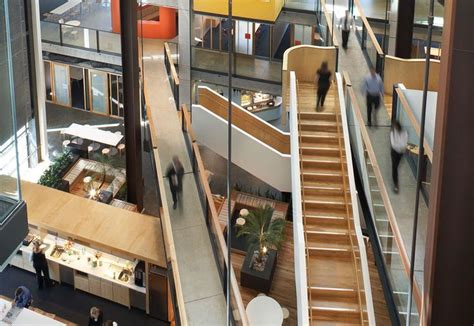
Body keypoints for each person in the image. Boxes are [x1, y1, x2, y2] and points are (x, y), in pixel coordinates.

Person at [390, 120, 408, 193]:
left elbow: (404, 144)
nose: (394, 128)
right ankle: (396, 185)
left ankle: (396, 184)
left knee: (396, 167)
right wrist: (400, 146)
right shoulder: (392, 133)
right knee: (394, 167)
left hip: (400, 153)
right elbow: (393, 144)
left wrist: (400, 146)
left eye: (395, 126)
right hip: (394, 152)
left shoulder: (404, 133)